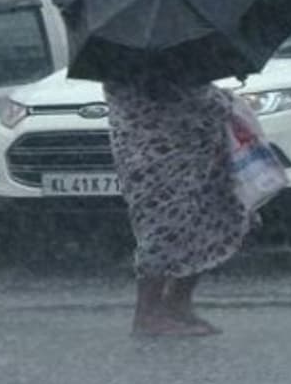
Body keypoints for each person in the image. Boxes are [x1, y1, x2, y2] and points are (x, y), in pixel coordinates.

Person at [105, 69, 250, 336]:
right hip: (157, 162)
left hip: (196, 157)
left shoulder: (165, 57)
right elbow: (187, 102)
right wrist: (227, 102)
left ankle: (177, 303)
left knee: (204, 223)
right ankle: (147, 315)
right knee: (164, 230)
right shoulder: (135, 66)